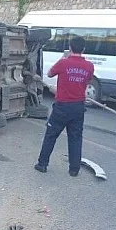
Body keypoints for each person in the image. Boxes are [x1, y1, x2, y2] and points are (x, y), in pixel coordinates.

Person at [34, 35, 94, 177]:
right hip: (78, 107)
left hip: (62, 106)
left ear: (70, 48)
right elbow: (87, 80)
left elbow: (49, 73)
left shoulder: (63, 63)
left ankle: (42, 164)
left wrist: (63, 58)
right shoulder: (89, 66)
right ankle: (74, 169)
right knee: (75, 138)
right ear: (84, 49)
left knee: (51, 136)